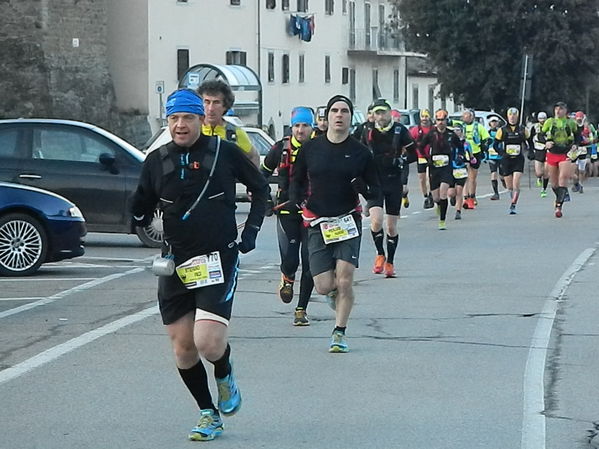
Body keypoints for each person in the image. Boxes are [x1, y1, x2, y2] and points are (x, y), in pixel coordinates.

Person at [130, 89, 268, 441]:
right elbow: (142, 202)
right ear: (168, 122)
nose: (180, 125)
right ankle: (208, 412)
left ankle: (223, 370)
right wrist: (137, 213)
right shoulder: (157, 159)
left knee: (207, 342)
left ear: (200, 121)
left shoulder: (222, 151)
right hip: (176, 262)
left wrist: (250, 231)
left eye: (188, 118)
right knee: (183, 348)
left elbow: (260, 189)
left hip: (217, 258)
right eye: (174, 119)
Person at [290, 94, 381, 353]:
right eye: (334, 111)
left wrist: (375, 209)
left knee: (344, 279)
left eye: (344, 111)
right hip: (317, 221)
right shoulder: (311, 148)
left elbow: (375, 188)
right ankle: (334, 296)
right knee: (324, 285)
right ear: (327, 117)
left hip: (347, 220)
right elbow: (296, 180)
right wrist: (296, 201)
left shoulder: (361, 152)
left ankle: (339, 332)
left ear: (351, 118)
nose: (339, 115)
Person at [261, 107, 315, 326]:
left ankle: (301, 309)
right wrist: (264, 200)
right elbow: (261, 176)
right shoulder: (280, 148)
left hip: (313, 212)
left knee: (309, 261)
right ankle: (287, 279)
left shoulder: (319, 148)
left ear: (312, 128)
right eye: (297, 126)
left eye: (305, 126)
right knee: (291, 259)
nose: (300, 130)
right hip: (286, 211)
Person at [360, 98, 415, 277]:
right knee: (376, 221)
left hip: (393, 181)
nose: (380, 116)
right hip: (374, 181)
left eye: (383, 112)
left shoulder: (400, 130)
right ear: (373, 115)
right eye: (377, 113)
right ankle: (380, 254)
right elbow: (356, 150)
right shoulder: (366, 130)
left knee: (391, 227)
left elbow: (414, 154)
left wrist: (401, 160)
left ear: (390, 112)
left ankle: (390, 262)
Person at [197, 79, 260, 167]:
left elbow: (253, 156)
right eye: (206, 102)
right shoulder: (193, 130)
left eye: (216, 102)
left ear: (225, 105)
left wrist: (250, 178)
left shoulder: (235, 133)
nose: (210, 108)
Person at [420, 109, 464, 229]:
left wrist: (460, 156)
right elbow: (420, 146)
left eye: (443, 120)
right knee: (436, 197)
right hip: (434, 167)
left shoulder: (451, 134)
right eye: (438, 120)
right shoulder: (431, 134)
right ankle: (439, 206)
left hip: (446, 167)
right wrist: (426, 157)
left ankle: (442, 221)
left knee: (444, 193)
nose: (440, 122)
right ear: (435, 121)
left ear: (446, 120)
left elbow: (461, 147)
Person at [539, 101, 580, 217]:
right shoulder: (549, 122)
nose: (558, 111)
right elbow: (540, 135)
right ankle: (560, 196)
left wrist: (576, 144)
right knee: (554, 183)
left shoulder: (570, 122)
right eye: (556, 109)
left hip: (565, 153)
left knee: (563, 178)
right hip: (552, 153)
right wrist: (546, 142)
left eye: (561, 109)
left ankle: (558, 207)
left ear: (565, 111)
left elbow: (578, 135)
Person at [493, 107, 530, 214]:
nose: (512, 118)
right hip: (506, 160)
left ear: (517, 117)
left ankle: (513, 204)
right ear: (507, 117)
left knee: (516, 184)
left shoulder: (523, 129)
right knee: (509, 186)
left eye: (514, 116)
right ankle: (510, 196)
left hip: (518, 159)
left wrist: (531, 152)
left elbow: (530, 142)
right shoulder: (502, 130)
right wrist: (501, 153)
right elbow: (495, 144)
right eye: (510, 116)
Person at [461, 109, 490, 209]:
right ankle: (465, 198)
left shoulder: (478, 127)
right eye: (464, 116)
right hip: (463, 154)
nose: (465, 118)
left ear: (472, 117)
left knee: (472, 177)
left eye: (467, 116)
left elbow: (486, 138)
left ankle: (472, 196)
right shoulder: (461, 126)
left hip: (475, 153)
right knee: (464, 176)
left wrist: (484, 148)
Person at [410, 109, 434, 209]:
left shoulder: (433, 129)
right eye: (423, 117)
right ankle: (425, 196)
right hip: (421, 156)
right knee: (422, 178)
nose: (424, 119)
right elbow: (409, 142)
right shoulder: (415, 130)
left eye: (426, 116)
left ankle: (431, 194)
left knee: (430, 177)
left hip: (432, 156)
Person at [448, 122, 471, 220]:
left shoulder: (466, 143)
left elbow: (471, 155)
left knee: (459, 190)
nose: (456, 132)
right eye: (454, 130)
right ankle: (452, 198)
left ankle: (458, 211)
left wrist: (469, 160)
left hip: (461, 168)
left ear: (462, 132)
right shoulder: (449, 142)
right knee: (451, 193)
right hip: (450, 168)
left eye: (458, 130)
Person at [572, 111, 595, 194]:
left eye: (580, 119)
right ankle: (575, 183)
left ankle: (581, 185)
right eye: (577, 119)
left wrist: (588, 140)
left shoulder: (587, 127)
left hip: (583, 149)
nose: (579, 121)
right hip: (574, 150)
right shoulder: (573, 126)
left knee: (581, 170)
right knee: (574, 169)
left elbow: (592, 138)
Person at [528, 111, 550, 197]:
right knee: (538, 172)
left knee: (546, 171)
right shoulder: (535, 127)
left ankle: (544, 189)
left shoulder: (550, 126)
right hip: (538, 149)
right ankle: (538, 178)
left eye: (544, 119)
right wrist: (530, 150)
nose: (542, 121)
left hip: (548, 150)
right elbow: (529, 139)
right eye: (540, 119)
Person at [486, 116, 503, 200]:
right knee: (493, 173)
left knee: (502, 175)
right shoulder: (487, 133)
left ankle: (504, 181)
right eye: (492, 122)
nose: (494, 123)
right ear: (489, 123)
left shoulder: (501, 131)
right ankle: (496, 193)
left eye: (495, 122)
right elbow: (484, 144)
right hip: (492, 156)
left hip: (501, 155)